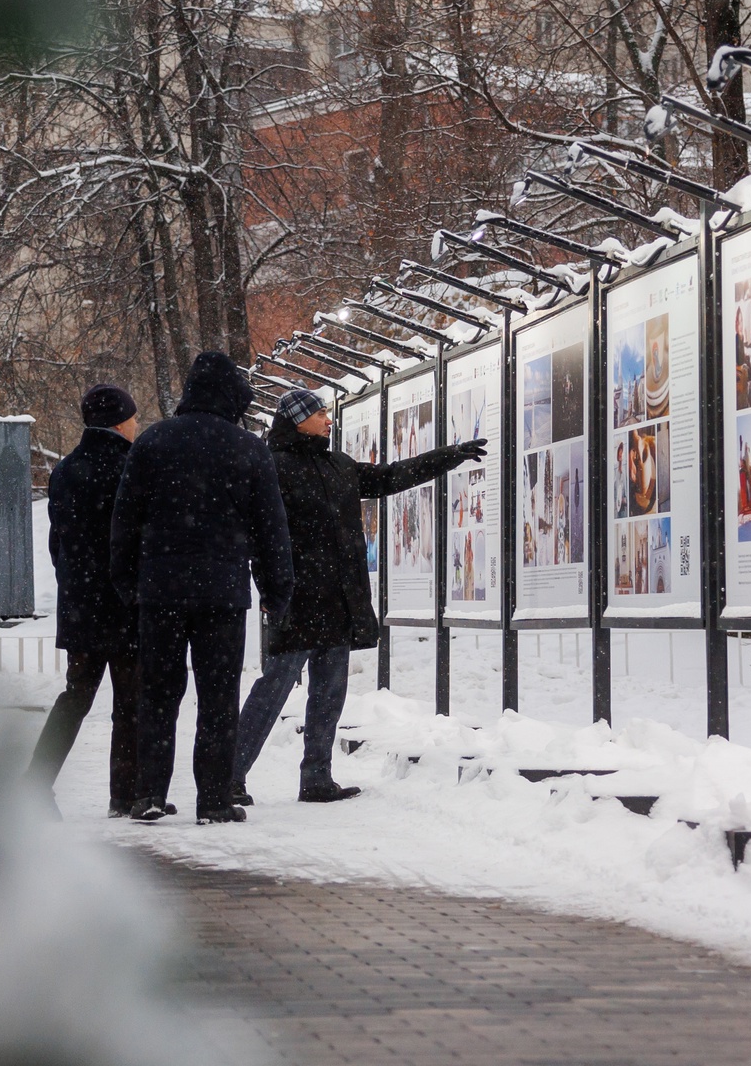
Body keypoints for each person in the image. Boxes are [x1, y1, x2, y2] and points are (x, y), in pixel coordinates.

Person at [235, 389, 485, 805]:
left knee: (330, 694)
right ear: (298, 420)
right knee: (273, 689)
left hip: (339, 599)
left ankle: (316, 778)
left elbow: (390, 477)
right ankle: (229, 775)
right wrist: (270, 589)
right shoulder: (271, 467)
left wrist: (450, 455)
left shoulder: (338, 465)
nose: (328, 420)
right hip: (297, 599)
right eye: (319, 414)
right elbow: (259, 536)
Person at [111, 350, 293, 824]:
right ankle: (213, 799)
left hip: (161, 592)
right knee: (218, 696)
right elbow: (272, 529)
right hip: (222, 594)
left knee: (157, 693)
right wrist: (277, 591)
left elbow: (124, 523)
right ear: (233, 394)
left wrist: (128, 584)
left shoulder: (151, 442)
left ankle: (148, 793)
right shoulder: (248, 447)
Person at [26, 383, 142, 815]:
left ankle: (36, 782)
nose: (136, 425)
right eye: (132, 418)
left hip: (82, 606)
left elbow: (60, 543)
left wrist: (78, 585)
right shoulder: (132, 467)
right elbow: (135, 539)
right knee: (129, 701)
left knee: (75, 696)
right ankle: (124, 795)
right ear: (118, 422)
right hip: (125, 604)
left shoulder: (67, 469)